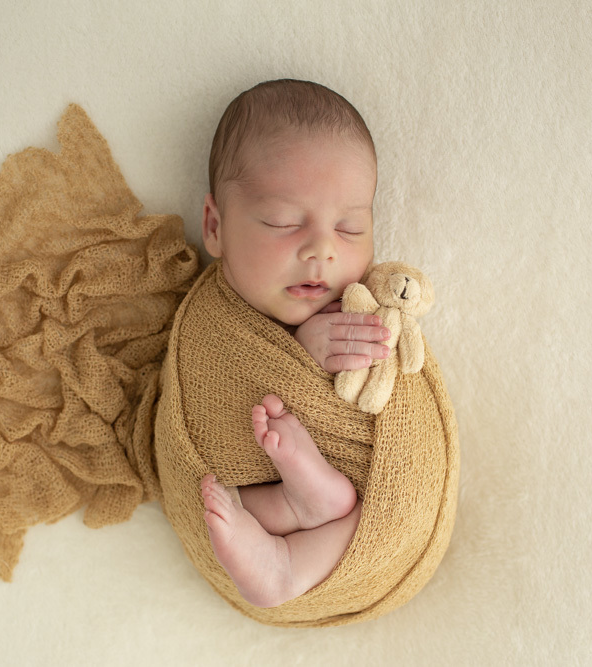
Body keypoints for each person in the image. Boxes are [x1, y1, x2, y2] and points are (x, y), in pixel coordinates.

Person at [198, 79, 390, 608]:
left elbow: (391, 410)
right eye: (283, 222)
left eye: (350, 229)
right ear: (214, 227)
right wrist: (298, 358)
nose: (322, 250)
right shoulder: (214, 320)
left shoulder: (363, 307)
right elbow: (206, 397)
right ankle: (298, 510)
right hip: (237, 509)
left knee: (375, 507)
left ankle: (286, 562)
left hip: (334, 551)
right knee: (210, 494)